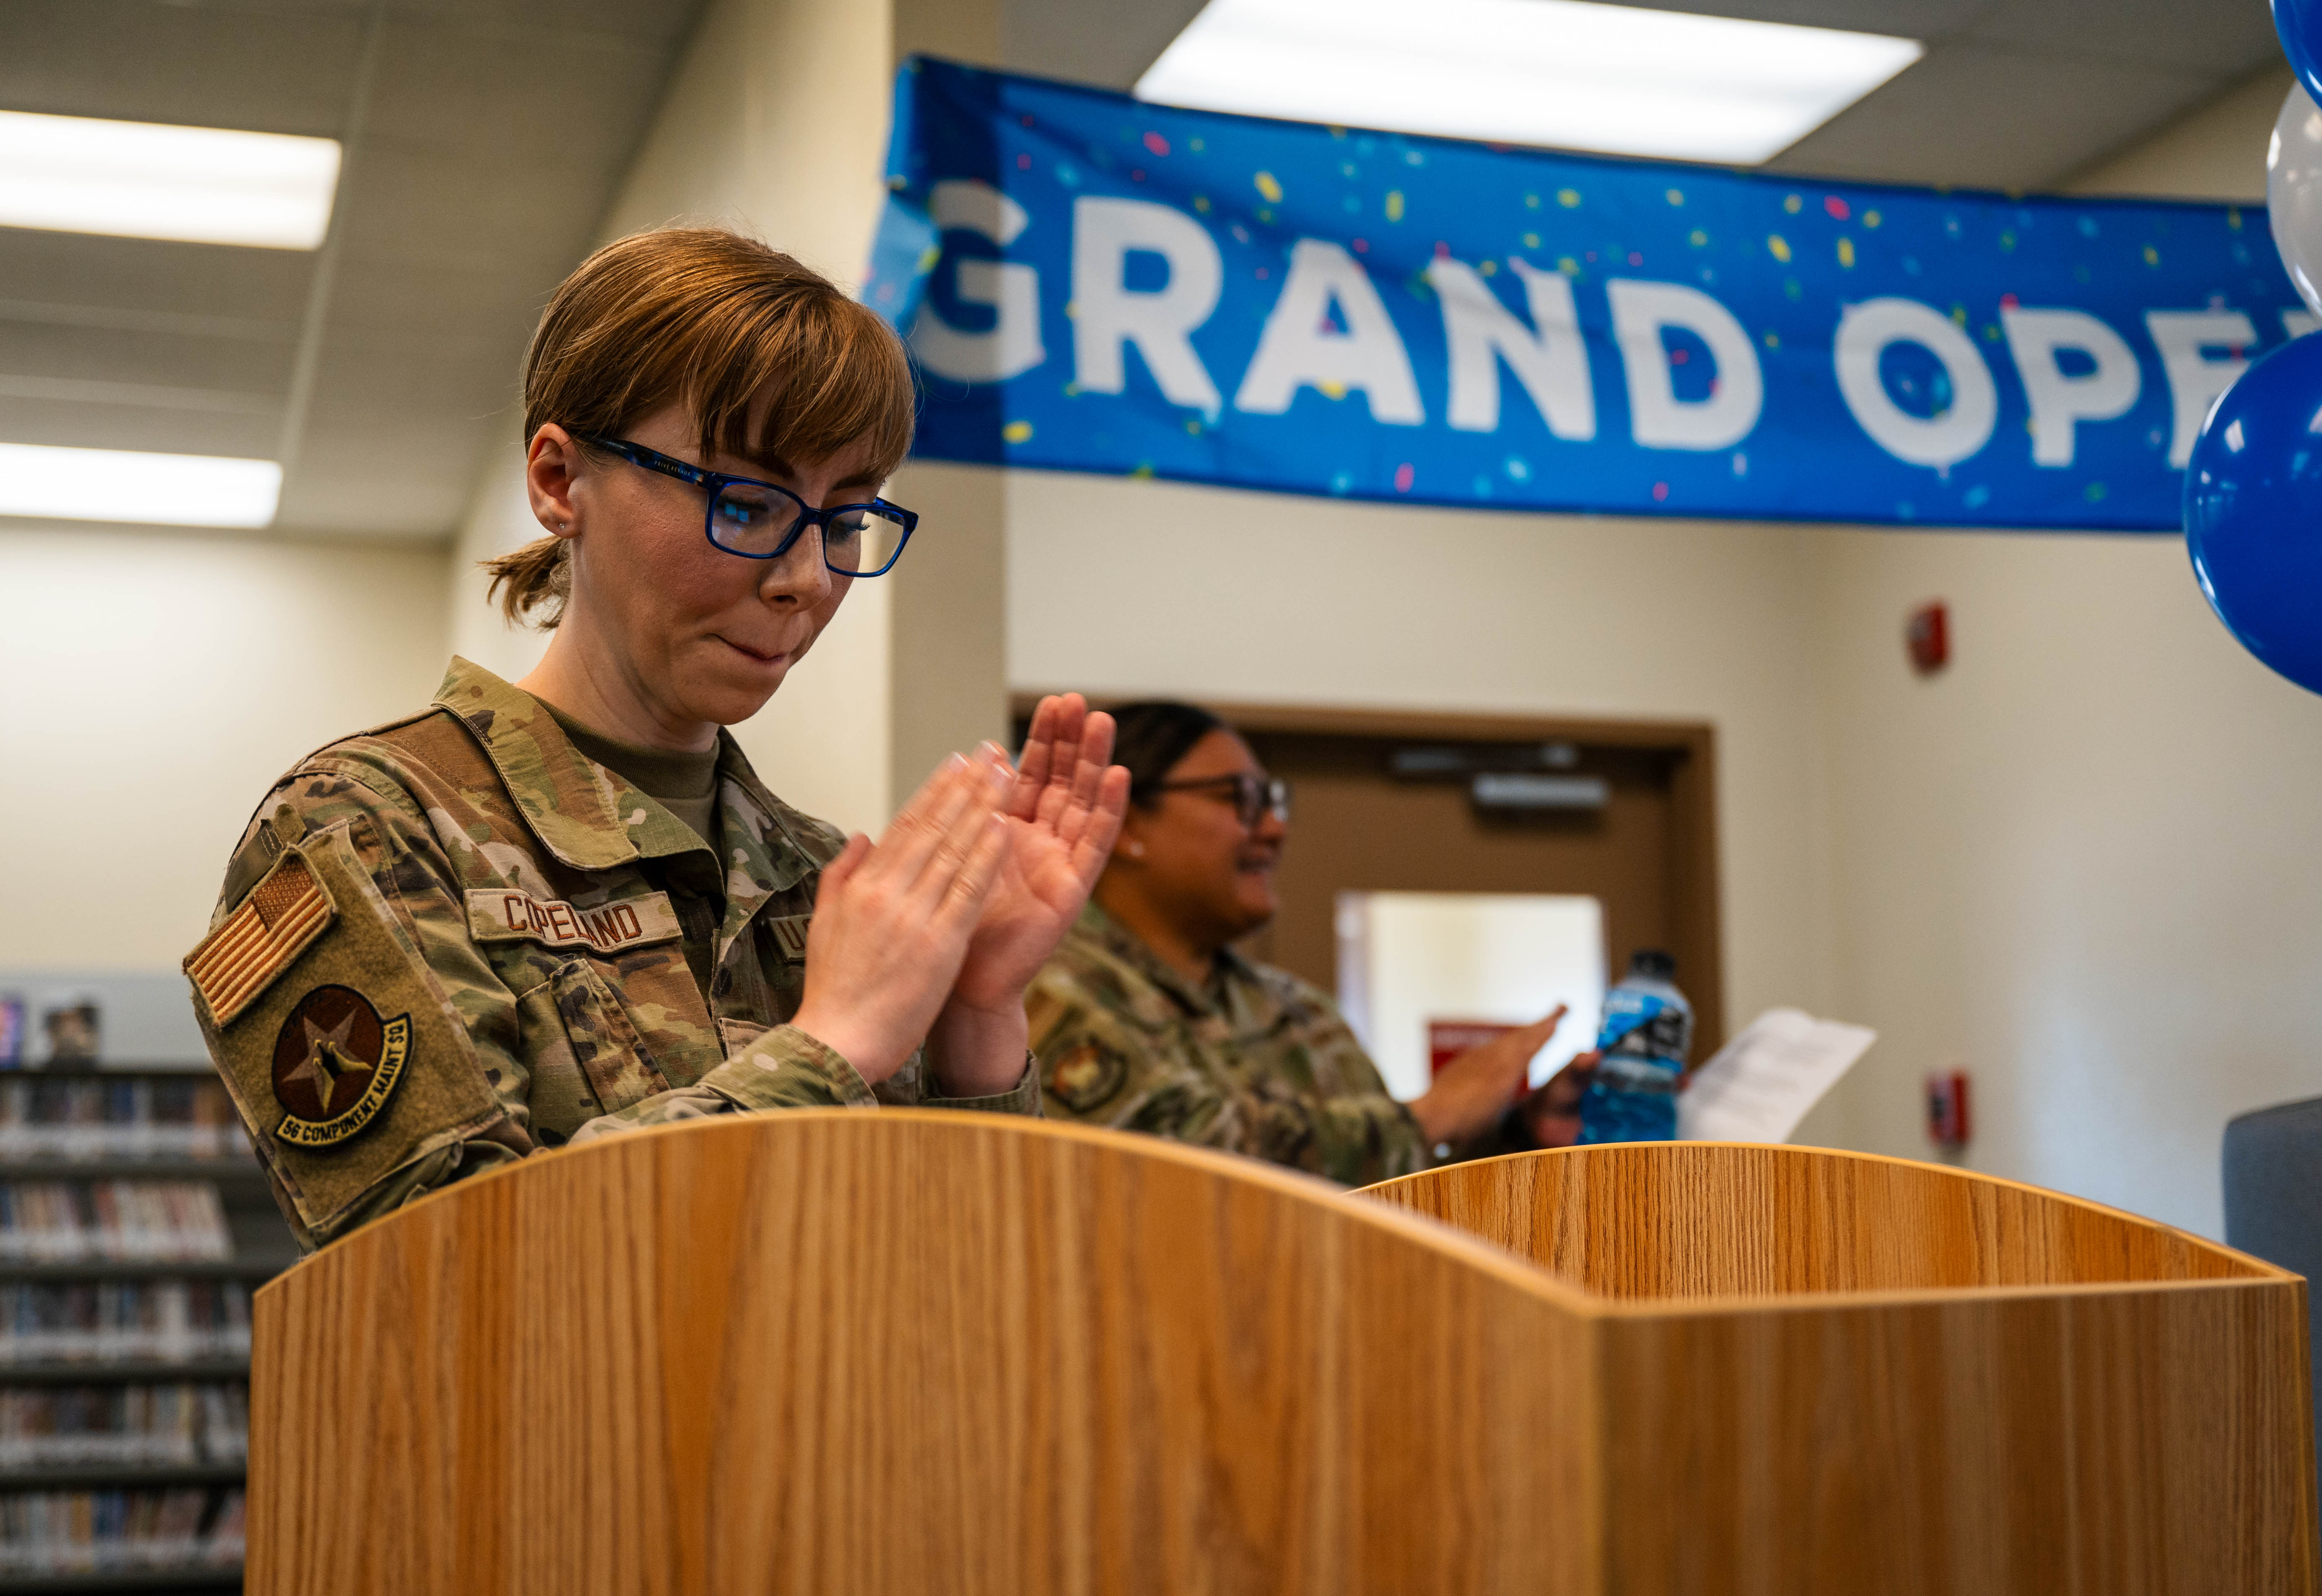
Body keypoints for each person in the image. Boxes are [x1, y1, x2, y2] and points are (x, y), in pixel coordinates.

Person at [182, 228, 1128, 1251]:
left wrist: (976, 1019)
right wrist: (833, 1043)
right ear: (560, 479)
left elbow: (956, 1285)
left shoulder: (819, 874)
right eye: (748, 502)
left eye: (846, 520)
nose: (807, 577)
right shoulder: (364, 828)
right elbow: (429, 1272)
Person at [1026, 701, 1596, 1186]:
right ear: (1124, 822)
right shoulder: (1043, 987)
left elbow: (1386, 1193)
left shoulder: (1299, 1011)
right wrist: (1429, 1116)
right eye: (1240, 799)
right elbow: (1174, 1166)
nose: (1274, 829)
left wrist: (1516, 1134)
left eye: (1272, 801)